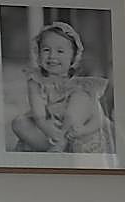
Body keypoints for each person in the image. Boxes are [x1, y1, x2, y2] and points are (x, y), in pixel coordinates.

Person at [11, 21, 114, 154]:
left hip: (76, 130)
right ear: (38, 53)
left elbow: (98, 118)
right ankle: (57, 146)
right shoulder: (35, 81)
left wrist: (83, 130)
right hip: (49, 129)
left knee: (79, 97)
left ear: (73, 58)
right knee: (18, 123)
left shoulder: (83, 84)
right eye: (46, 50)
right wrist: (47, 128)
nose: (52, 56)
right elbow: (39, 115)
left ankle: (61, 144)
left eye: (60, 51)